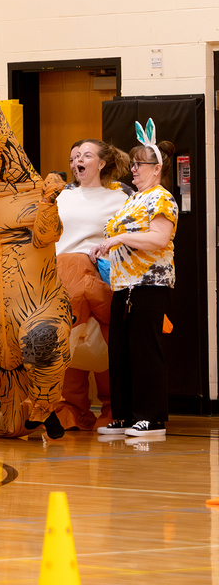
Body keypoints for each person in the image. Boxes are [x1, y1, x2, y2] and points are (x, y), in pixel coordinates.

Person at [91, 121, 177, 440]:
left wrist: (120, 238)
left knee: (145, 351)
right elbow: (120, 237)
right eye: (133, 165)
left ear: (156, 169)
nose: (134, 170)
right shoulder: (132, 200)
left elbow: (158, 238)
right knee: (121, 351)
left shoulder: (162, 199)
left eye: (139, 165)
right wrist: (104, 246)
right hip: (123, 286)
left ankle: (151, 418)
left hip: (150, 286)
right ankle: (125, 416)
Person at [54, 139, 130, 431]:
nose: (77, 162)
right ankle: (71, 407)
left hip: (103, 273)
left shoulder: (121, 197)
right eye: (73, 158)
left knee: (107, 340)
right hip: (65, 272)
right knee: (69, 338)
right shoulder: (61, 196)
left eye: (85, 156)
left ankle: (114, 408)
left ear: (101, 163)